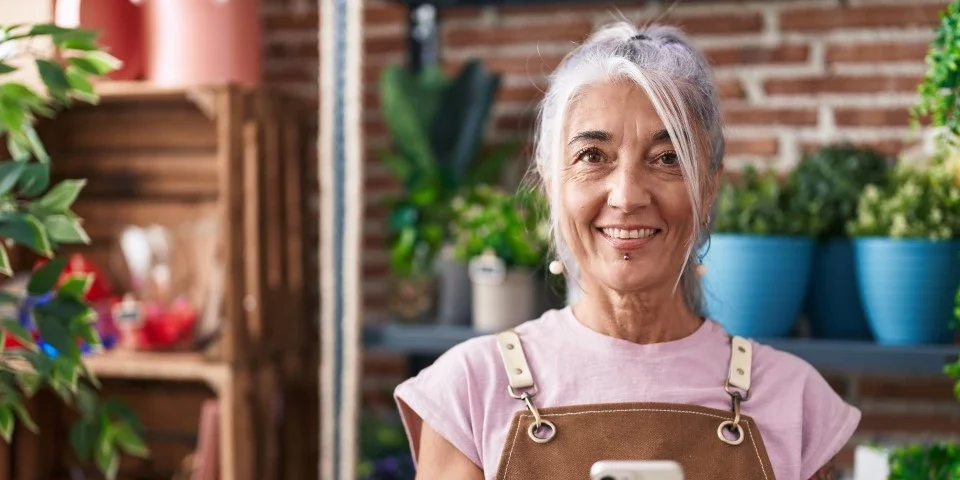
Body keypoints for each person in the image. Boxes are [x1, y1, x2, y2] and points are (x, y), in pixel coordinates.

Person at [393, 21, 860, 480]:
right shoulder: (469, 391)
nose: (627, 195)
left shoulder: (794, 401)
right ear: (551, 182)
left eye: (667, 157)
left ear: (709, 187)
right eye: (593, 156)